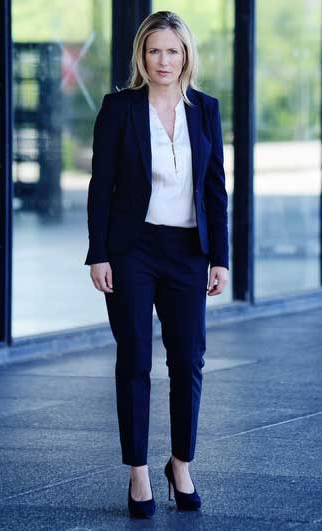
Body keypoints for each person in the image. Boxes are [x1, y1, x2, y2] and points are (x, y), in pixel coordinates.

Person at [84, 10, 229, 519]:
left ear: (186, 55)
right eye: (153, 51)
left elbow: (215, 188)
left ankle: (181, 464)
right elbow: (100, 186)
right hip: (132, 250)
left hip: (188, 251)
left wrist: (220, 258)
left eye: (172, 51)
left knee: (188, 360)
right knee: (134, 360)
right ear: (141, 57)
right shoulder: (119, 108)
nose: (162, 61)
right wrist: (98, 253)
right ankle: (139, 472)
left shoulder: (206, 110)